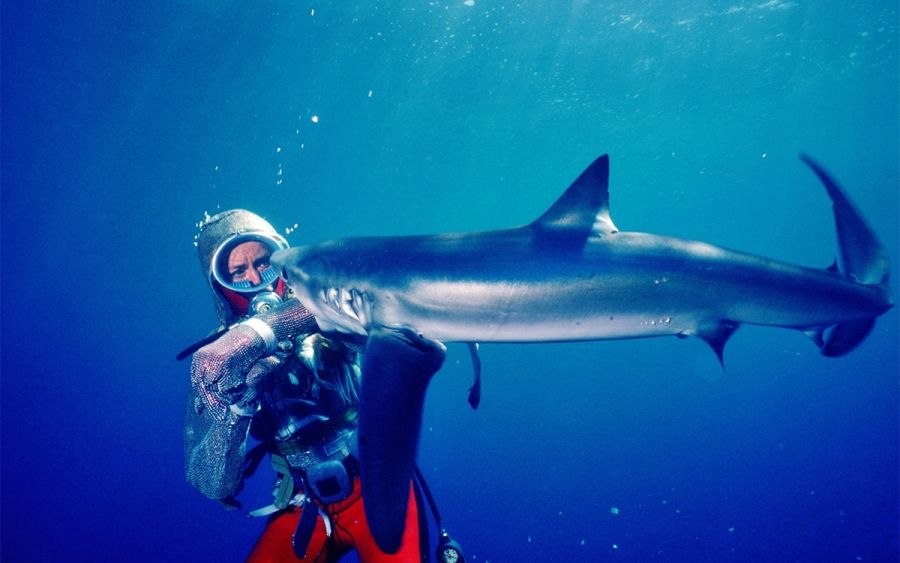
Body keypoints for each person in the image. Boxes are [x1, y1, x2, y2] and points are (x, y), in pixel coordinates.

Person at [184, 209, 450, 562]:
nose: (256, 279)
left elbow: (379, 304)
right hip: (303, 503)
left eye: (265, 263)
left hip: (377, 484)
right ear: (220, 286)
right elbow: (212, 483)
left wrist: (261, 331)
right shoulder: (217, 359)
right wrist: (237, 405)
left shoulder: (330, 300)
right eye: (237, 273)